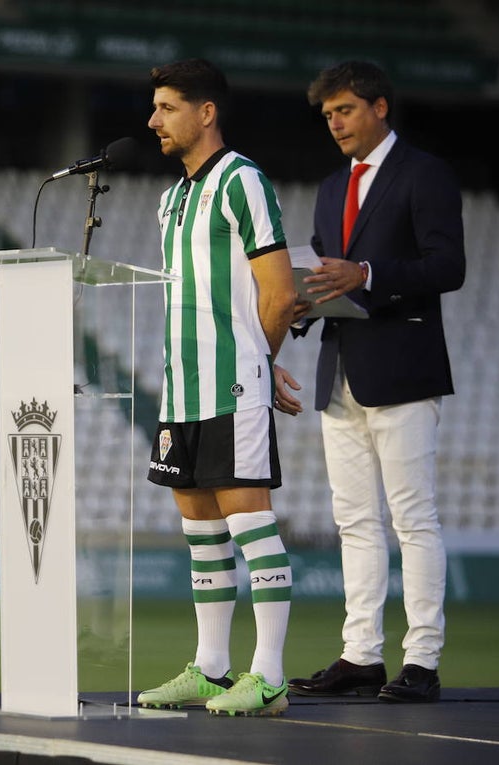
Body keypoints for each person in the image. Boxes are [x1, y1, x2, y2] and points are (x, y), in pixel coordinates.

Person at [273, 60, 466, 703]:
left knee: (413, 518)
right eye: (327, 115)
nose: (334, 123)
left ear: (380, 107)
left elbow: (449, 266)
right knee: (353, 520)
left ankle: (422, 661)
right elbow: (325, 270)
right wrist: (303, 304)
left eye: (345, 110)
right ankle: (361, 656)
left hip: (404, 366)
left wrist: (367, 274)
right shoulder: (332, 186)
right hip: (340, 368)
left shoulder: (424, 172)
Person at [137, 58, 297, 717]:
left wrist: (258, 361)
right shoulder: (169, 199)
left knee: (250, 524)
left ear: (206, 112)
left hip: (231, 385)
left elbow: (280, 293)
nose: (153, 120)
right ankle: (209, 668)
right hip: (180, 389)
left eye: (167, 107)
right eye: (155, 107)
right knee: (201, 533)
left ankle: (270, 676)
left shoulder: (243, 180)